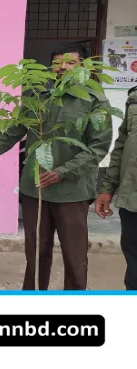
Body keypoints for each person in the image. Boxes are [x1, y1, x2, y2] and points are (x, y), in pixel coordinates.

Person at [0, 43, 113, 290]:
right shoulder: (37, 98)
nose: (63, 68)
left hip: (72, 192)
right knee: (36, 254)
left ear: (84, 68)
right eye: (58, 63)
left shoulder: (94, 102)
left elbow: (97, 149)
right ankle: (33, 301)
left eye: (71, 63)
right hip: (34, 189)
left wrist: (62, 172)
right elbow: (7, 136)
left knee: (75, 257)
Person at [95, 86, 137, 289]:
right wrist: (107, 188)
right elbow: (121, 145)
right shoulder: (135, 97)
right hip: (132, 199)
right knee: (134, 267)